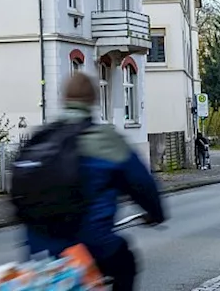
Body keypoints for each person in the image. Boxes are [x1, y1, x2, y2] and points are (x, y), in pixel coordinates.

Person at [20, 72, 166, 291]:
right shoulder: (106, 139)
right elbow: (142, 183)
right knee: (126, 261)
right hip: (93, 247)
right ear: (94, 101)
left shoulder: (41, 138)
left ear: (64, 99)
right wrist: (155, 213)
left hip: (41, 253)